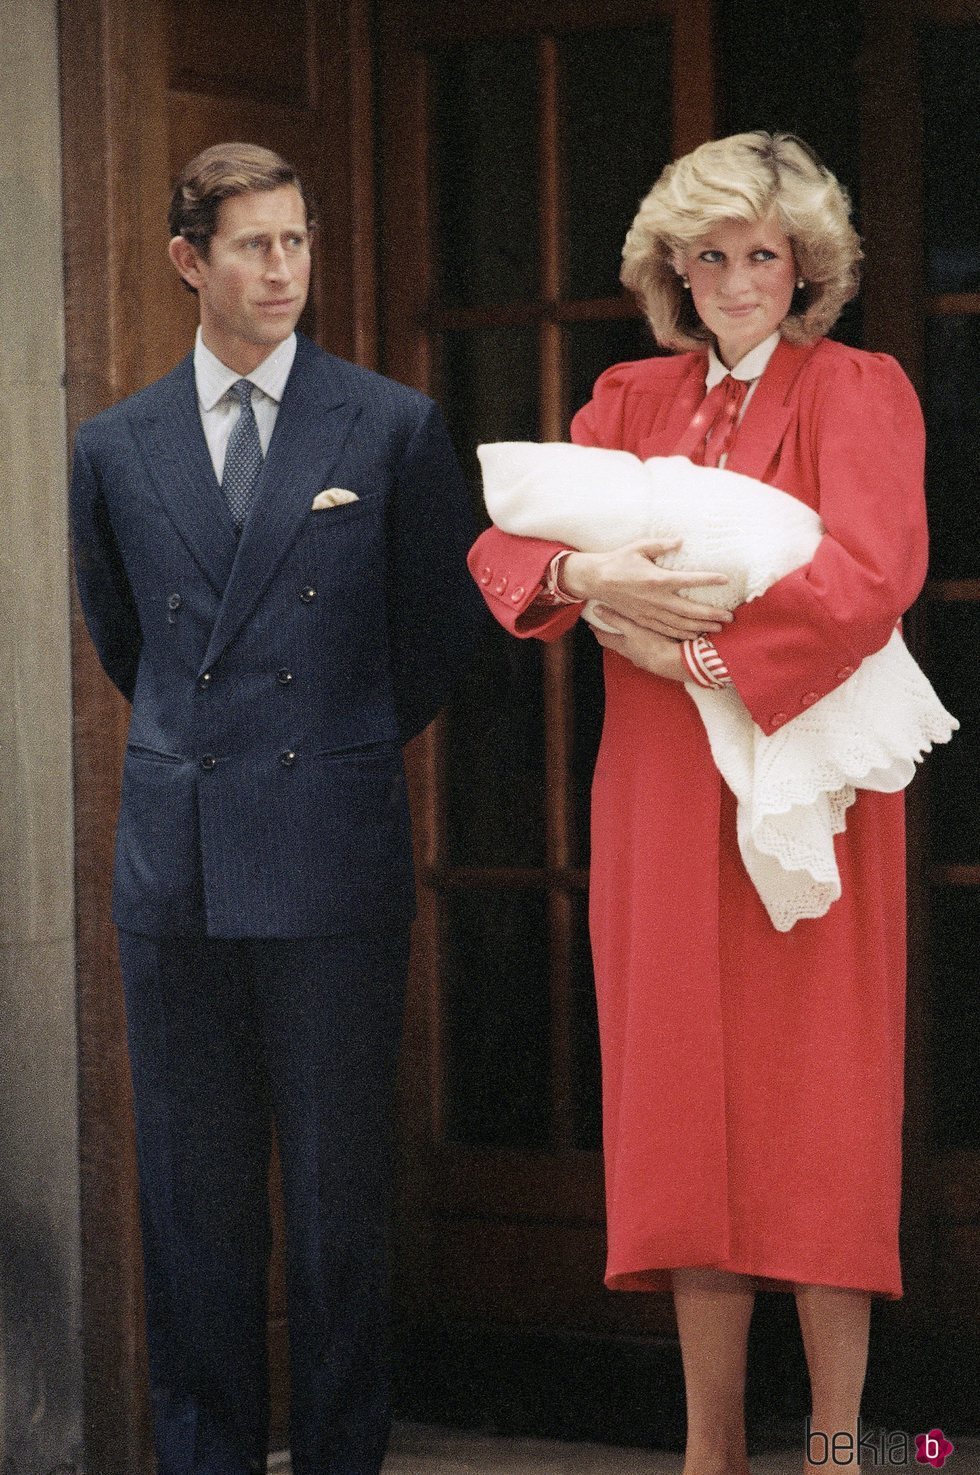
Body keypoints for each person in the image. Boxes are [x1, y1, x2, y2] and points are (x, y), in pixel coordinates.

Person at [468, 132, 928, 1474]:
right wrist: (591, 573)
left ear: (807, 268)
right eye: (712, 256)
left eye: (763, 256)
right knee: (683, 1104)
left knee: (822, 1108)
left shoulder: (859, 386)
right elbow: (507, 547)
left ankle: (839, 1445)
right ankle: (707, 1446)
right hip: (664, 788)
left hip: (809, 778)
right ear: (675, 267)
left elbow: (875, 573)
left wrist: (703, 651)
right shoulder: (629, 396)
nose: (737, 283)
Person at [71, 141, 485, 1475]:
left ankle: (343, 1455)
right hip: (177, 872)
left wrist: (334, 741)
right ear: (190, 261)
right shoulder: (115, 446)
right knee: (192, 1210)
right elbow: (125, 640)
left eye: (298, 241)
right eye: (254, 245)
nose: (283, 270)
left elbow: (436, 641)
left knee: (335, 1211)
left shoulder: (393, 426)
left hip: (331, 856)